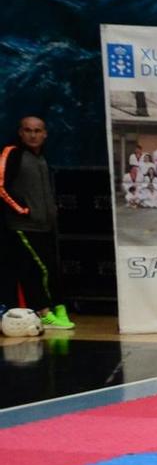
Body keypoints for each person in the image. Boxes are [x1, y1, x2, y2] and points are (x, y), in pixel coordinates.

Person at [0, 116, 68, 331]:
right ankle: (44, 312)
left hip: (45, 225)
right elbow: (1, 186)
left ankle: (58, 307)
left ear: (45, 134)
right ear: (20, 132)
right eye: (28, 130)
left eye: (38, 131)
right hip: (23, 225)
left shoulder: (42, 159)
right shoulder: (12, 153)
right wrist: (23, 210)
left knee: (49, 268)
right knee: (37, 269)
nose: (33, 135)